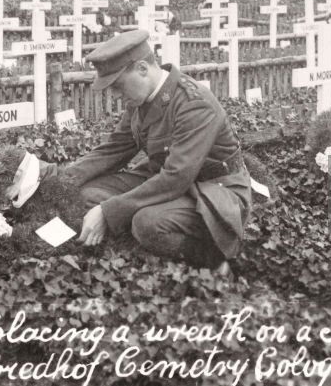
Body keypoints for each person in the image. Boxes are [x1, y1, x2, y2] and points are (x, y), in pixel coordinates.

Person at [54, 30, 252, 271]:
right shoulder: (140, 100)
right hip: (166, 179)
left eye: (118, 86)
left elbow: (176, 178)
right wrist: (58, 182)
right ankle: (133, 242)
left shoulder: (194, 103)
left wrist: (108, 211)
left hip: (213, 189)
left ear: (142, 69)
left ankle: (216, 260)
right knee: (87, 194)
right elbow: (113, 149)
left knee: (147, 223)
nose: (116, 95)